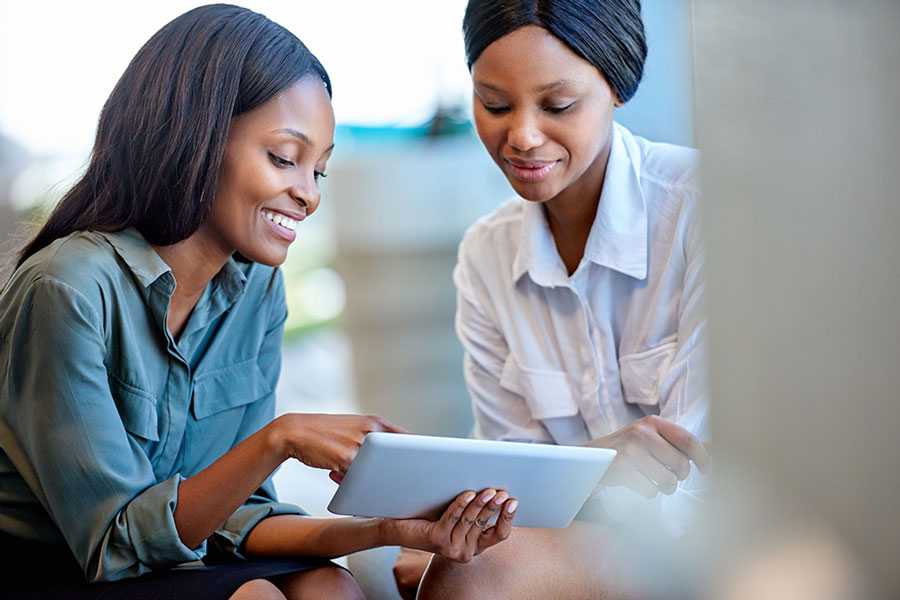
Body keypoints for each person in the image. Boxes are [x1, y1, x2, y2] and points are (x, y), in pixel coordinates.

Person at [0, 5, 516, 599]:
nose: (306, 195)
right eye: (283, 157)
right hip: (61, 568)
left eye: (318, 171)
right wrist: (280, 438)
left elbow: (233, 518)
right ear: (194, 136)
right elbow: (115, 545)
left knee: (331, 589)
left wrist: (390, 529)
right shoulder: (67, 289)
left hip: (169, 563)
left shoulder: (256, 291)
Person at [393, 1, 711, 598]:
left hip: (706, 541)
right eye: (493, 104)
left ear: (618, 86)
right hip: (582, 539)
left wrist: (571, 487)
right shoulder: (486, 257)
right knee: (451, 563)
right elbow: (510, 474)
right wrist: (473, 527)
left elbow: (690, 483)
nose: (522, 136)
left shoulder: (701, 210)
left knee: (475, 574)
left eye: (558, 106)